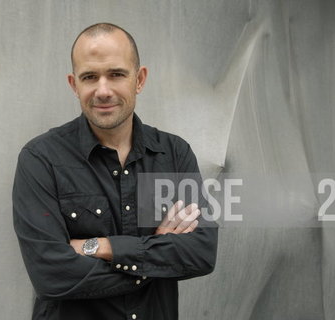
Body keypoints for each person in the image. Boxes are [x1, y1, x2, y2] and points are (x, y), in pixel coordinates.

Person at [13, 22, 218, 320]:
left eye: (117, 74)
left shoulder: (174, 154)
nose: (103, 90)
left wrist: (101, 247)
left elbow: (201, 252)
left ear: (140, 79)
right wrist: (155, 257)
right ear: (74, 84)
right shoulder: (41, 159)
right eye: (90, 77)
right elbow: (51, 275)